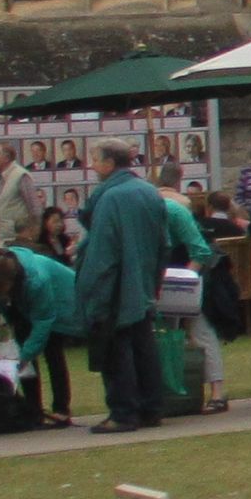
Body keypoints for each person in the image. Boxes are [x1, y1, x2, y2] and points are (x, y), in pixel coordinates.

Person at [68, 140, 189, 432]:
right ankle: (151, 407)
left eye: (96, 159)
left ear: (110, 163)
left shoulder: (110, 198)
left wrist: (90, 287)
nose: (92, 165)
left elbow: (102, 252)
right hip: (145, 281)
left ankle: (123, 412)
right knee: (143, 347)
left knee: (116, 349)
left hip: (116, 285)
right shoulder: (149, 191)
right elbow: (164, 242)